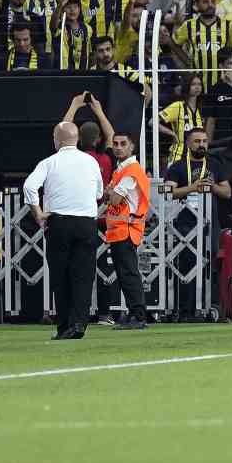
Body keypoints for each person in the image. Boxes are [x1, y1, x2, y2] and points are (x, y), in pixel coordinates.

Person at [22, 120, 106, 340]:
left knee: (61, 275)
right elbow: (99, 193)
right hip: (87, 222)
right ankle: (79, 324)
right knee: (83, 276)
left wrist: (38, 213)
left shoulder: (49, 162)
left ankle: (64, 325)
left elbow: (29, 187)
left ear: (56, 141)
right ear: (77, 139)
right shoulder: (91, 162)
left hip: (58, 222)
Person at [101, 130, 151, 330]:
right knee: (125, 274)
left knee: (128, 274)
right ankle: (135, 313)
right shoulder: (122, 170)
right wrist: (111, 193)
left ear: (132, 147)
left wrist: (111, 192)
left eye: (123, 143)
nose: (118, 147)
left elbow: (112, 198)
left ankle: (138, 315)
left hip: (127, 229)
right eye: (116, 143)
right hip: (121, 229)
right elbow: (110, 195)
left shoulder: (131, 170)